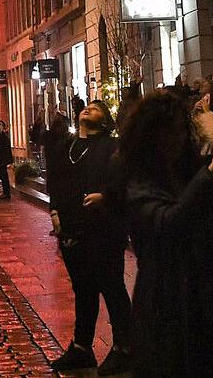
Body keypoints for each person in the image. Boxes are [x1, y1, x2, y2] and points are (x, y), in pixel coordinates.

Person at [120, 89, 213, 377]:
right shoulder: (139, 182)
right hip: (168, 303)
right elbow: (168, 225)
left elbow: (197, 220)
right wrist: (209, 178)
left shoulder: (187, 171)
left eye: (180, 131)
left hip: (211, 297)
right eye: (166, 133)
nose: (175, 140)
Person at [46, 101, 132, 376]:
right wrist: (55, 211)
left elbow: (126, 181)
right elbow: (55, 182)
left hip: (104, 229)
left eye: (96, 109)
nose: (88, 110)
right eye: (87, 108)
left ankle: (125, 348)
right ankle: (82, 348)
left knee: (112, 287)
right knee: (83, 290)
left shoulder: (113, 146)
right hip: (72, 230)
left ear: (104, 120)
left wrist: (106, 197)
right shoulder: (66, 147)